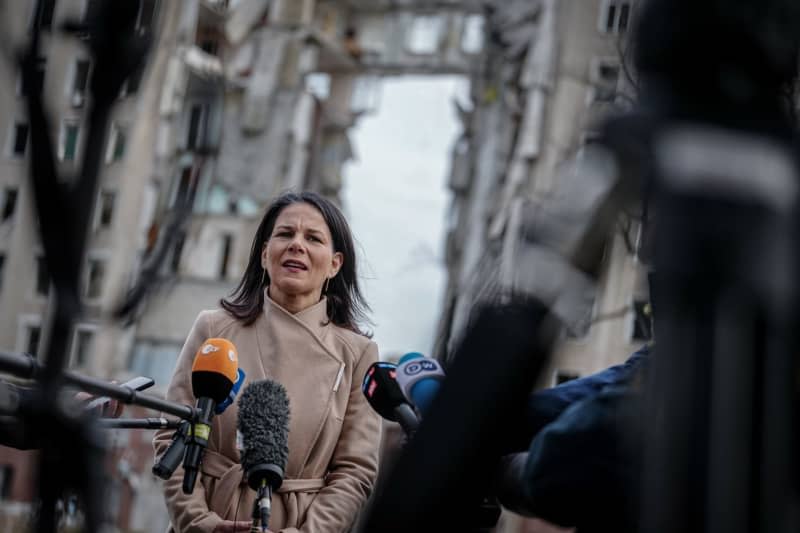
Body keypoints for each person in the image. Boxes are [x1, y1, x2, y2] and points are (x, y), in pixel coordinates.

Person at [154, 191, 381, 533]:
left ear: (335, 264)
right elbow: (172, 435)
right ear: (264, 254)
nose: (297, 245)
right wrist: (200, 523)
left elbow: (354, 472)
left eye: (313, 238)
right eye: (285, 234)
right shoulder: (214, 329)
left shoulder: (358, 354)